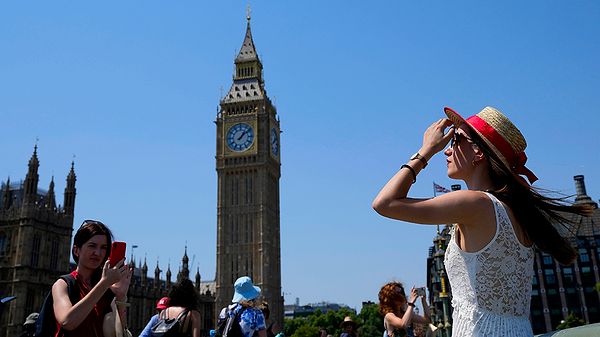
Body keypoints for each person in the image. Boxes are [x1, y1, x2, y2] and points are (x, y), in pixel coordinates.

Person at [372, 106, 592, 336]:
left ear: (478, 153)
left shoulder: (475, 203)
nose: (447, 150)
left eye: (456, 140)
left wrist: (426, 150)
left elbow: (384, 203)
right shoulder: (516, 210)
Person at [52, 220, 132, 337]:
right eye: (92, 246)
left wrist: (120, 296)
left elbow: (120, 333)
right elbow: (67, 321)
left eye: (103, 248)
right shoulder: (63, 284)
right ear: (76, 250)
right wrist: (104, 283)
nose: (97, 253)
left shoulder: (108, 289)